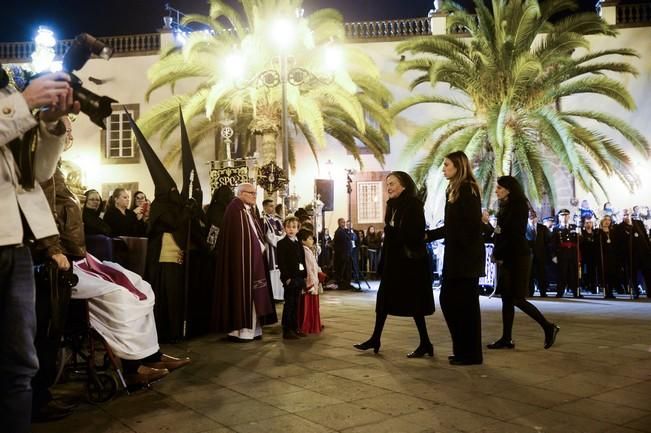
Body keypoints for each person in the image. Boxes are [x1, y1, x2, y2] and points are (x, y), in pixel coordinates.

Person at [1, 69, 79, 432]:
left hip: (14, 242)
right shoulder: (13, 99)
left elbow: (38, 173)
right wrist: (23, 104)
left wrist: (51, 125)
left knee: (20, 365)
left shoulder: (6, 88)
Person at [354, 171, 435, 358]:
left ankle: (425, 342)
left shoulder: (413, 205)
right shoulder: (391, 205)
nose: (388, 187)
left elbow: (414, 234)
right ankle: (375, 338)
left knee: (415, 305)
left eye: (392, 183)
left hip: (409, 265)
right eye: (387, 184)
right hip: (393, 262)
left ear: (404, 185)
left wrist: (392, 231)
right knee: (383, 301)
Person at [486, 176, 559, 351]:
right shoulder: (503, 206)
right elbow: (500, 233)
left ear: (509, 189)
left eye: (499, 188)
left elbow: (512, 234)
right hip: (507, 256)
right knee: (506, 299)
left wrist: (500, 252)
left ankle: (548, 327)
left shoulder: (518, 206)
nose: (496, 190)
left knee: (517, 298)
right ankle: (506, 338)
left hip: (517, 256)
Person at [426, 151, 484, 366]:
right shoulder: (455, 189)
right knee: (453, 303)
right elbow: (454, 226)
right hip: (457, 256)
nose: (443, 168)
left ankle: (470, 353)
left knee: (463, 306)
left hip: (465, 259)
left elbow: (468, 227)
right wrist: (430, 235)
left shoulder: (467, 190)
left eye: (447, 164)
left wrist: (441, 237)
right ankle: (463, 350)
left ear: (458, 166)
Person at [212, 183, 277, 340]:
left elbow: (255, 234)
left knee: (256, 294)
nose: (254, 196)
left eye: (255, 193)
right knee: (242, 294)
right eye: (251, 193)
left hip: (254, 261)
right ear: (241, 193)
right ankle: (240, 331)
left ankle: (254, 330)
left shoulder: (249, 210)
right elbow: (238, 240)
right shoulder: (235, 209)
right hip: (241, 263)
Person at [277, 216, 307, 339]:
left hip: (299, 277)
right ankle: (287, 329)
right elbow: (281, 262)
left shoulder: (298, 243)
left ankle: (295, 327)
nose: (291, 229)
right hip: (289, 278)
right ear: (284, 228)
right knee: (289, 303)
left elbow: (302, 260)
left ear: (298, 229)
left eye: (294, 227)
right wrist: (286, 277)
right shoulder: (282, 243)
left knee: (296, 303)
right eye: (288, 227)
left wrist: (304, 275)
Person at [298, 229, 323, 334]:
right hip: (310, 283)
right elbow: (309, 269)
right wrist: (311, 283)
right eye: (309, 238)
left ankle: (314, 325)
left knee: (314, 306)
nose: (312, 240)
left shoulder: (309, 250)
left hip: (314, 281)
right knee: (309, 307)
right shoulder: (305, 251)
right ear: (303, 240)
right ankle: (309, 325)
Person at [552, 209, 581, 298]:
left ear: (569, 216)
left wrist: (580, 234)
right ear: (559, 217)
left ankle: (576, 292)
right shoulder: (556, 228)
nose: (564, 217)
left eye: (566, 215)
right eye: (562, 215)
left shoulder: (574, 227)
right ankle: (560, 292)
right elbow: (553, 243)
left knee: (573, 273)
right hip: (562, 254)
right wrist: (554, 255)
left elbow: (579, 242)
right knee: (562, 273)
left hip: (573, 253)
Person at [262, 198, 285, 301]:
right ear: (265, 207)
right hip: (270, 250)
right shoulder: (263, 220)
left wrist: (283, 235)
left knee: (279, 271)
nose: (273, 208)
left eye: (273, 206)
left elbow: (282, 232)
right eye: (270, 206)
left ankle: (279, 295)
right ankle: (273, 296)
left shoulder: (277, 220)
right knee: (272, 271)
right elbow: (270, 237)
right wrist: (281, 238)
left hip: (279, 250)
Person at [527, 211, 551, 297]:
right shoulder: (524, 228)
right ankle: (530, 291)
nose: (532, 219)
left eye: (534, 217)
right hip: (529, 256)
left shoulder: (542, 228)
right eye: (530, 217)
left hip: (541, 255)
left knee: (541, 274)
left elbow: (548, 241)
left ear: (537, 218)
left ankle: (543, 291)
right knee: (530, 274)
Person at [596, 215, 619, 299]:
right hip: (602, 257)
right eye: (605, 219)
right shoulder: (598, 232)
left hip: (612, 256)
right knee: (604, 274)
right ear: (602, 221)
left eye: (609, 220)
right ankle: (605, 291)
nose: (607, 221)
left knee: (612, 274)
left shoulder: (613, 232)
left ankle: (610, 291)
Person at [333, 218, 353, 290]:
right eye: (342, 222)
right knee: (342, 270)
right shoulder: (339, 232)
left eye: (344, 222)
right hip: (342, 255)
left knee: (346, 270)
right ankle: (343, 284)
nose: (344, 224)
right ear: (339, 223)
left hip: (346, 254)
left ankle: (346, 283)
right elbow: (343, 242)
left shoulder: (344, 231)